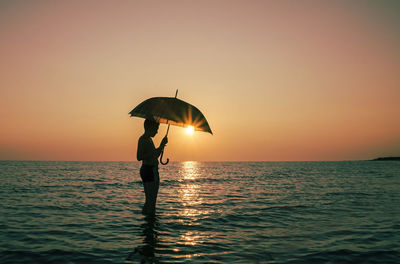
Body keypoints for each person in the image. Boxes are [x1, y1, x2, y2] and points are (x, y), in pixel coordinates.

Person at [137, 119, 168, 216]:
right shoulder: (143, 139)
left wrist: (162, 145)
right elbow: (139, 156)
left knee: (149, 200)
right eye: (156, 128)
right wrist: (157, 149)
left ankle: (147, 222)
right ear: (150, 128)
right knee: (151, 201)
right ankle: (150, 222)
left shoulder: (149, 140)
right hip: (149, 170)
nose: (157, 131)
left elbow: (155, 155)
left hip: (149, 170)